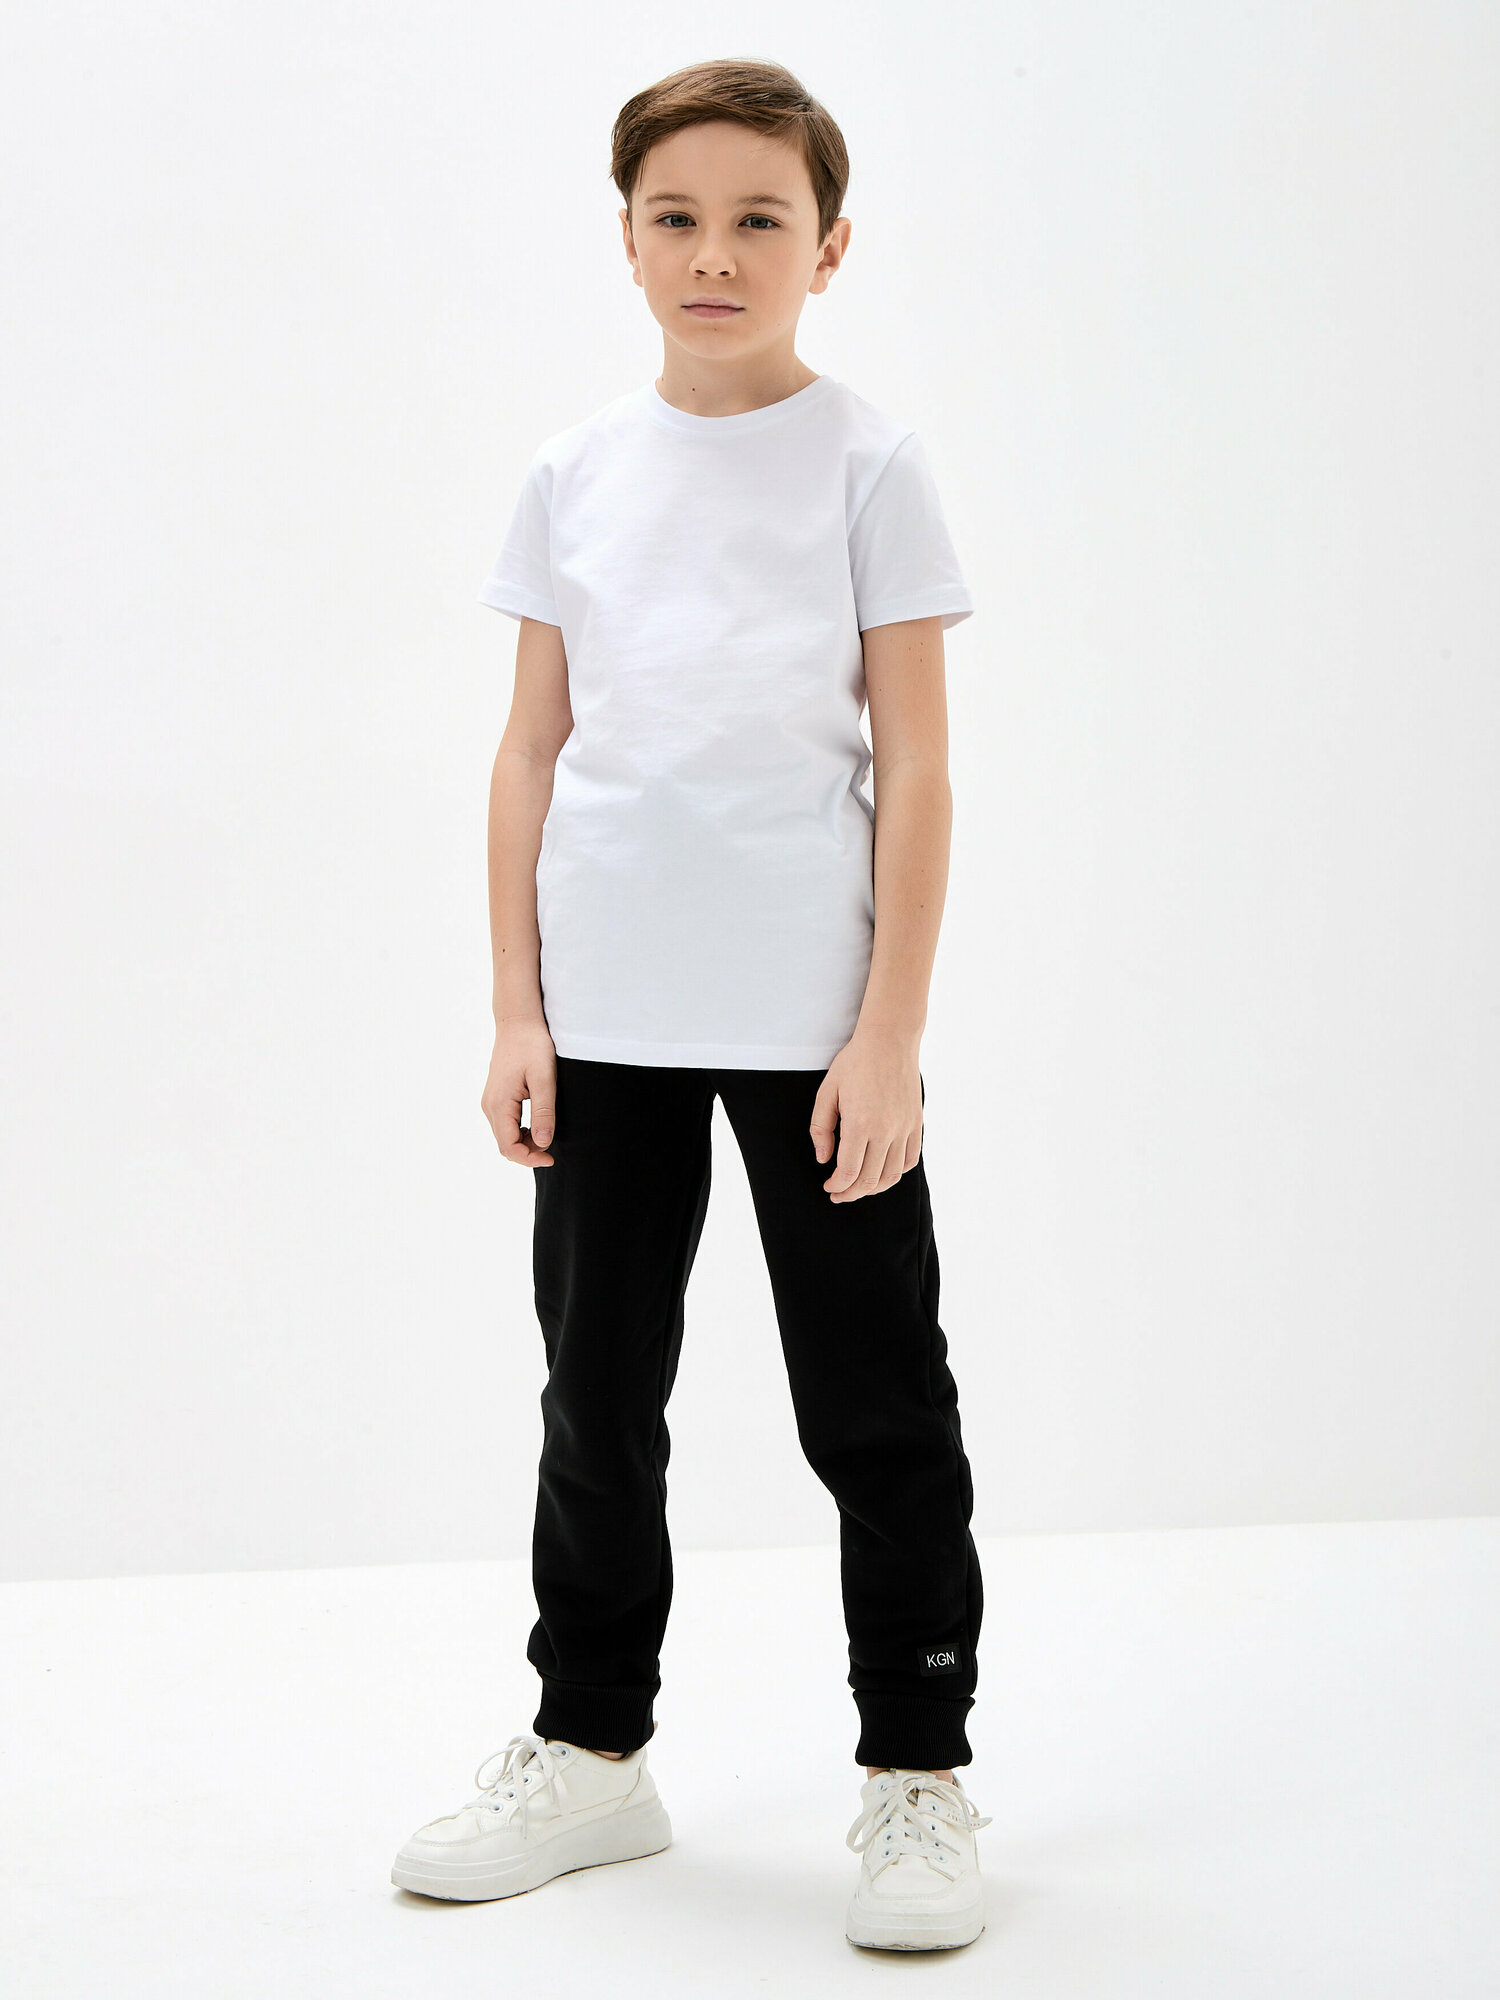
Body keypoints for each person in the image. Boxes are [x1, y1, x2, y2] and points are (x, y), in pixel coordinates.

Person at [391, 57, 991, 1953]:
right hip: (610, 1023)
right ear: (629, 239)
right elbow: (528, 753)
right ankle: (593, 1751)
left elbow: (920, 767)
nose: (715, 255)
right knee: (598, 1398)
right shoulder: (574, 473)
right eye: (678, 218)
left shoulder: (871, 465)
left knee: (876, 1403)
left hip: (817, 1034)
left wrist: (889, 1033)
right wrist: (518, 1008)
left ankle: (919, 1771)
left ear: (830, 245)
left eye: (757, 220)